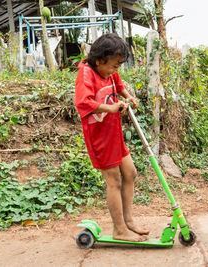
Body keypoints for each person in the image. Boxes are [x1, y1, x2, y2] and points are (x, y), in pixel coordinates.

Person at [75, 33, 149, 242]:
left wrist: (128, 97)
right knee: (114, 180)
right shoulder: (87, 73)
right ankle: (119, 230)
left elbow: (117, 82)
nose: (116, 70)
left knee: (130, 173)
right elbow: (83, 102)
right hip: (99, 136)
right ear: (99, 60)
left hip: (113, 131)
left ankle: (129, 220)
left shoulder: (108, 71)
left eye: (119, 65)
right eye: (114, 65)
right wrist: (110, 107)